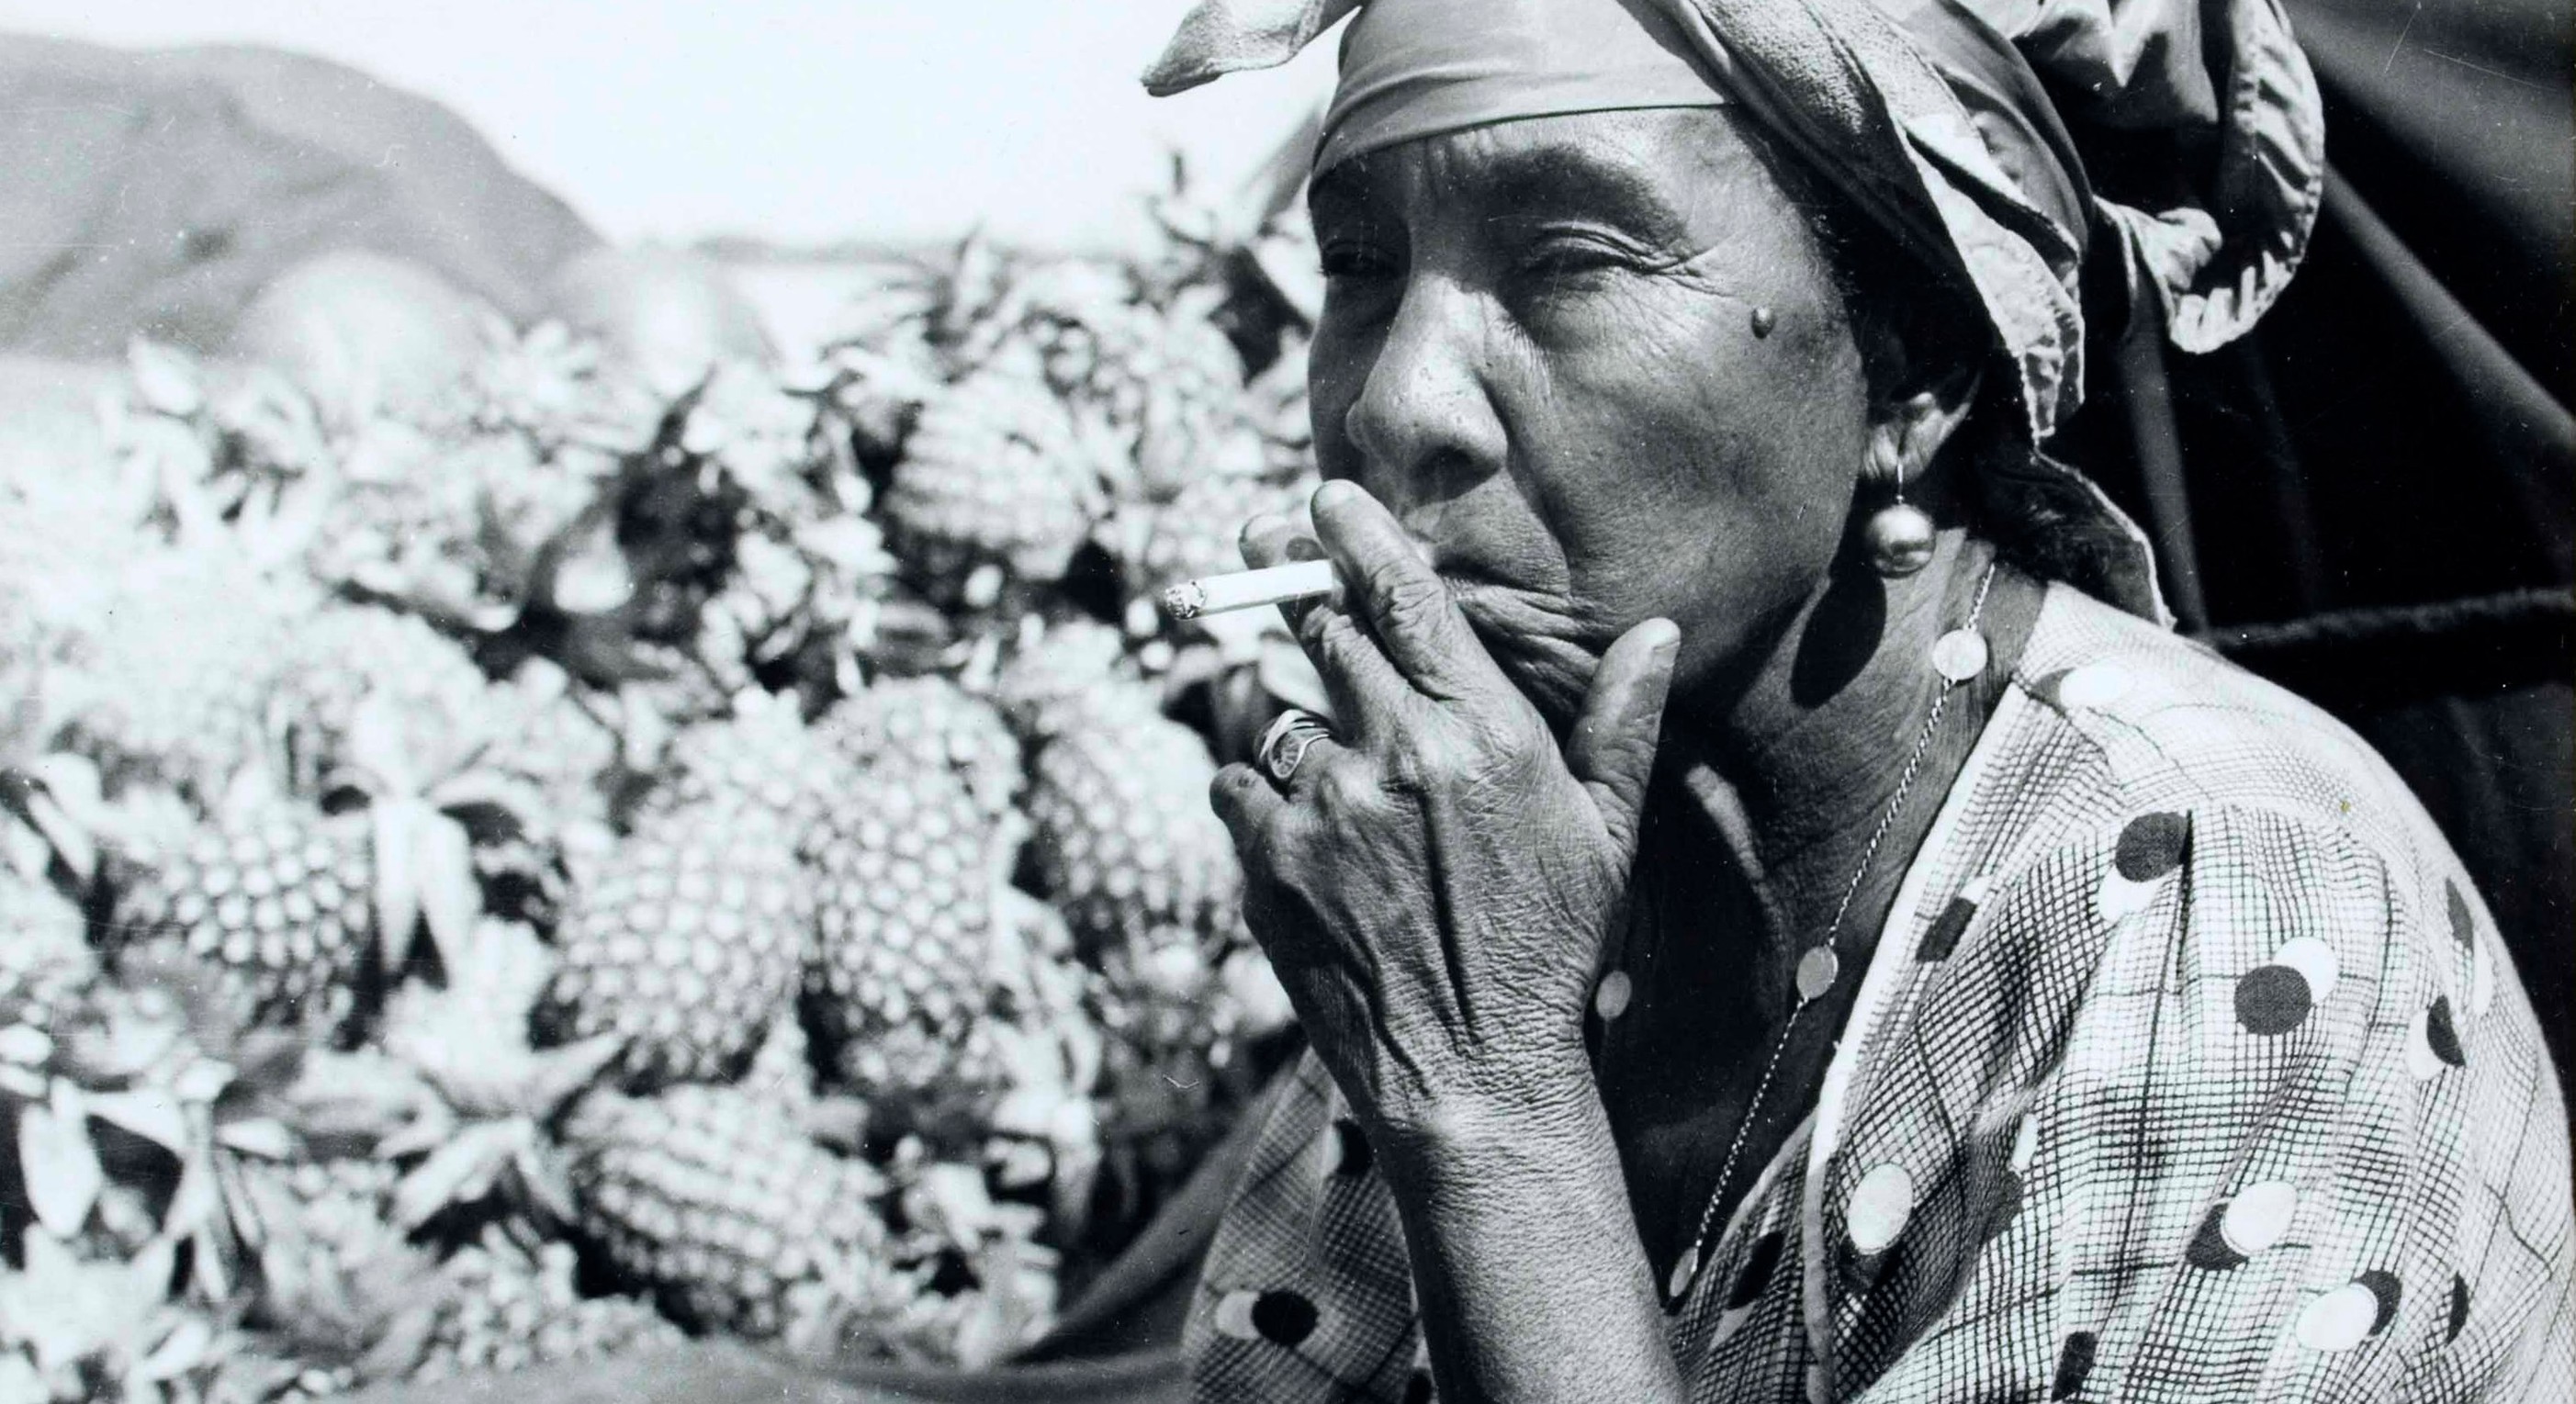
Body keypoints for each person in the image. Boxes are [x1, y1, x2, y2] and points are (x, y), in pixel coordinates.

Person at [1140, 0, 2576, 1399]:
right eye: (1357, 263)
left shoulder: (2220, 899)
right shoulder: (1502, 879)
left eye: (1567, 261)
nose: (1396, 406)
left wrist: (1488, 1098)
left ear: (1913, 374)